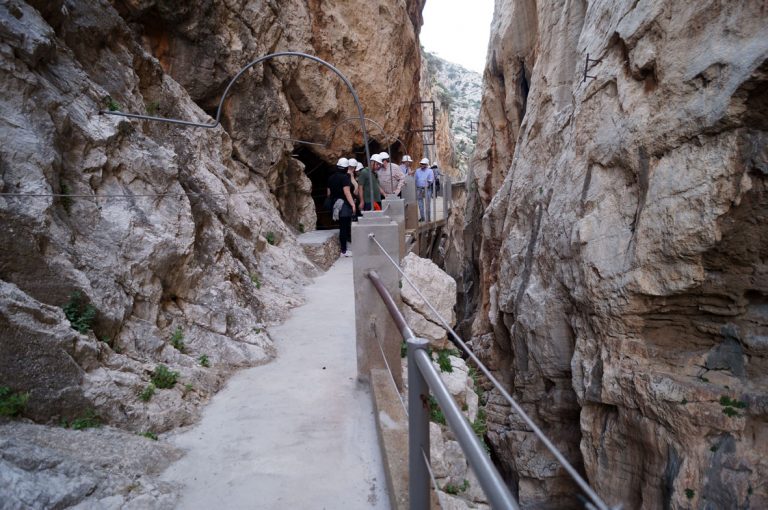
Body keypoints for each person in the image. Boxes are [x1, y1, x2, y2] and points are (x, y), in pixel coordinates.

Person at [326, 157, 356, 256]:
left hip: (335, 205)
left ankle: (345, 248)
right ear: (345, 167)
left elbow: (329, 194)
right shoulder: (344, 178)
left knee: (342, 227)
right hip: (344, 205)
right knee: (345, 227)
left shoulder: (330, 178)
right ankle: (344, 250)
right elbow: (347, 192)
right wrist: (352, 204)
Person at [415, 158, 434, 222]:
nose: (422, 165)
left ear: (426, 164)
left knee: (427, 204)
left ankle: (428, 218)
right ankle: (422, 217)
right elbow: (415, 179)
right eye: (421, 164)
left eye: (423, 164)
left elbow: (431, 180)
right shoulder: (417, 171)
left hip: (427, 189)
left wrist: (427, 181)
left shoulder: (430, 171)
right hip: (419, 189)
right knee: (420, 204)